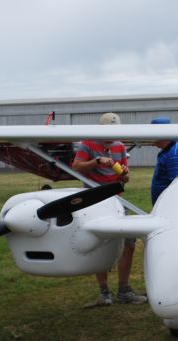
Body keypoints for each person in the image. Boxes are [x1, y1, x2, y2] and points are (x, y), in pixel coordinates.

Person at [72, 112, 147, 307]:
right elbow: (77, 166)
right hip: (94, 200)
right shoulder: (88, 143)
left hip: (116, 199)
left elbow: (125, 177)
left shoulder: (119, 146)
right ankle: (104, 293)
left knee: (130, 243)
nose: (113, 135)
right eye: (109, 131)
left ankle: (124, 290)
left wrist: (124, 174)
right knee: (98, 243)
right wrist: (97, 161)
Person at [150, 116, 178, 205]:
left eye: (152, 133)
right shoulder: (169, 151)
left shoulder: (174, 155)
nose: (150, 137)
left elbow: (175, 187)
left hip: (168, 206)